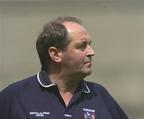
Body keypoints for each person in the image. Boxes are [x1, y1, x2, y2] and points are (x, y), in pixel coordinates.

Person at [0, 16, 128, 119]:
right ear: (55, 54)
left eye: (89, 44)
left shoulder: (99, 95)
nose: (91, 52)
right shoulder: (16, 96)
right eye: (81, 46)